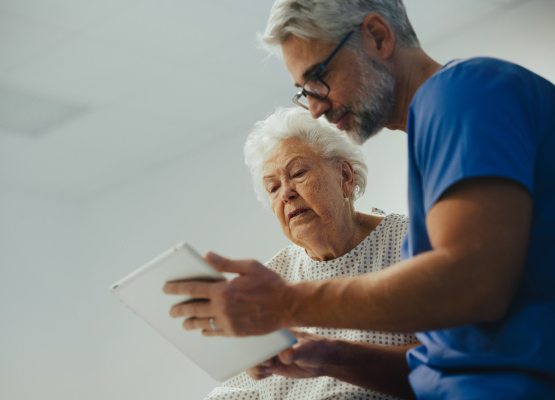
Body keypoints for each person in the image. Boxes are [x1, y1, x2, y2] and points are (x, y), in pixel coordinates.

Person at [164, 1, 555, 398]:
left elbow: (473, 285)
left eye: (320, 76)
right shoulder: (433, 129)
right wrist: (329, 355)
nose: (315, 106)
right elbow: (434, 368)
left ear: (378, 37)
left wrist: (288, 303)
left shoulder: (464, 94)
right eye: (304, 90)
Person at [205, 106, 417, 400]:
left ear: (345, 176)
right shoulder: (273, 277)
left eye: (298, 172)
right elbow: (242, 387)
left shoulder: (412, 243)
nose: (286, 193)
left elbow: (454, 362)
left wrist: (333, 357)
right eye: (273, 187)